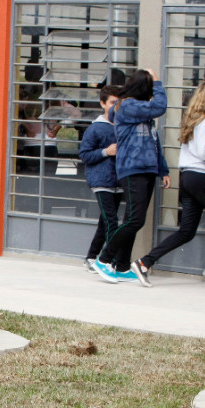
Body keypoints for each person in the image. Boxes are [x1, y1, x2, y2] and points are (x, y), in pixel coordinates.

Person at [129, 81, 205, 288]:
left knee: (186, 231)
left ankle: (144, 262)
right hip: (204, 177)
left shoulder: (194, 119)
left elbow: (203, 147)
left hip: (187, 178)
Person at [91, 69, 171, 284]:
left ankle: (122, 266)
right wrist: (158, 82)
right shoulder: (127, 106)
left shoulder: (140, 111)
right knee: (136, 220)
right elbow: (160, 106)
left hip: (147, 169)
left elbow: (153, 142)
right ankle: (104, 259)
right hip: (132, 169)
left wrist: (162, 170)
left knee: (132, 220)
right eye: (150, 87)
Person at [79, 85, 122, 274]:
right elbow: (85, 154)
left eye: (118, 102)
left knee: (105, 222)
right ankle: (108, 260)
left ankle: (91, 256)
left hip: (119, 182)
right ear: (103, 103)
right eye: (112, 102)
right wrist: (106, 152)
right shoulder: (95, 128)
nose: (115, 106)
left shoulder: (123, 125)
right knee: (112, 221)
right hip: (101, 182)